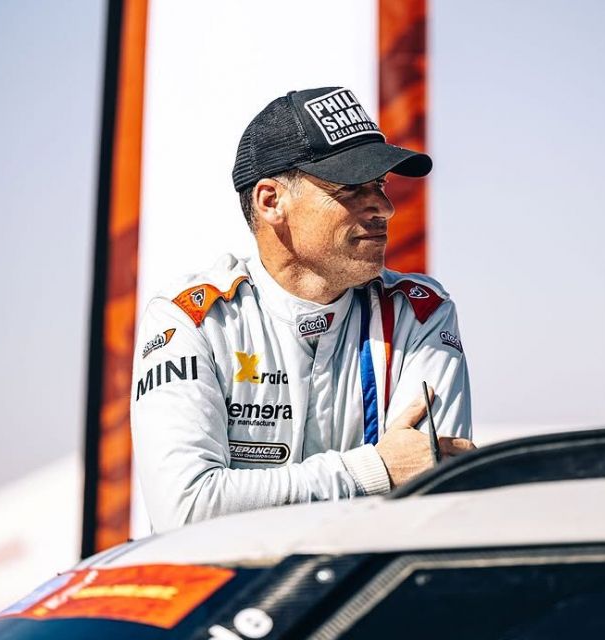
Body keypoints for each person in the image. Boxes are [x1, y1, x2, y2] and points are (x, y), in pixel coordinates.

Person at [130, 87, 474, 533]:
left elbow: (433, 505)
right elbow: (187, 510)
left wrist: (247, 498)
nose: (385, 208)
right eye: (351, 187)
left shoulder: (420, 314)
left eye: (380, 185)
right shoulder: (193, 320)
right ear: (271, 201)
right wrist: (374, 470)